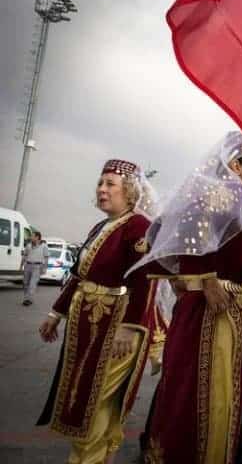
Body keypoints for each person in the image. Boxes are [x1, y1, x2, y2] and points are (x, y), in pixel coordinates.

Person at [135, 132, 242, 464]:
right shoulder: (216, 195)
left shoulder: (238, 206)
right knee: (202, 389)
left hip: (224, 310)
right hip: (211, 312)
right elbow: (192, 230)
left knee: (216, 390)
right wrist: (205, 278)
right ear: (236, 165)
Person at [36, 159, 157, 463]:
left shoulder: (138, 226)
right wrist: (55, 314)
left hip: (115, 328)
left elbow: (143, 278)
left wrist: (129, 326)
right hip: (90, 325)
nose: (102, 190)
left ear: (129, 191)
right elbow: (79, 276)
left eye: (110, 184)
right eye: (100, 184)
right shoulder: (101, 226)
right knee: (84, 396)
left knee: (97, 401)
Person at [21, 230, 48, 306]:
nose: (31, 237)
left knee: (32, 284)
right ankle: (27, 297)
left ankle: (28, 299)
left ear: (37, 237)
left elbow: (46, 258)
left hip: (37, 267)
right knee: (25, 283)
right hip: (28, 266)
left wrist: (44, 268)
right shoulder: (28, 245)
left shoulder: (44, 246)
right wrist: (21, 265)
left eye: (32, 236)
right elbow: (25, 256)